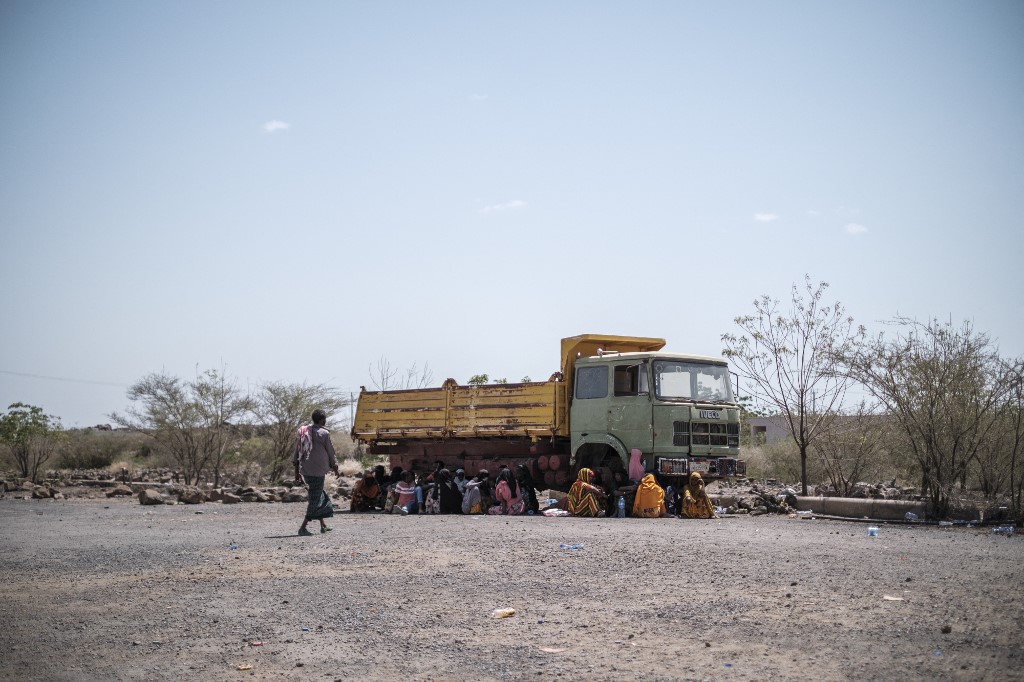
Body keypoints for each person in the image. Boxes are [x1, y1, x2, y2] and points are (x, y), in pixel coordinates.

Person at [294, 409, 340, 536]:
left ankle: (323, 525)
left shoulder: (304, 432)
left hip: (306, 470)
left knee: (319, 494)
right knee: (315, 498)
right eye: (324, 419)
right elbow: (331, 452)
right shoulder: (324, 433)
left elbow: (297, 452)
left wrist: (296, 473)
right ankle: (303, 527)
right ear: (321, 420)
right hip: (318, 471)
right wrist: (335, 467)